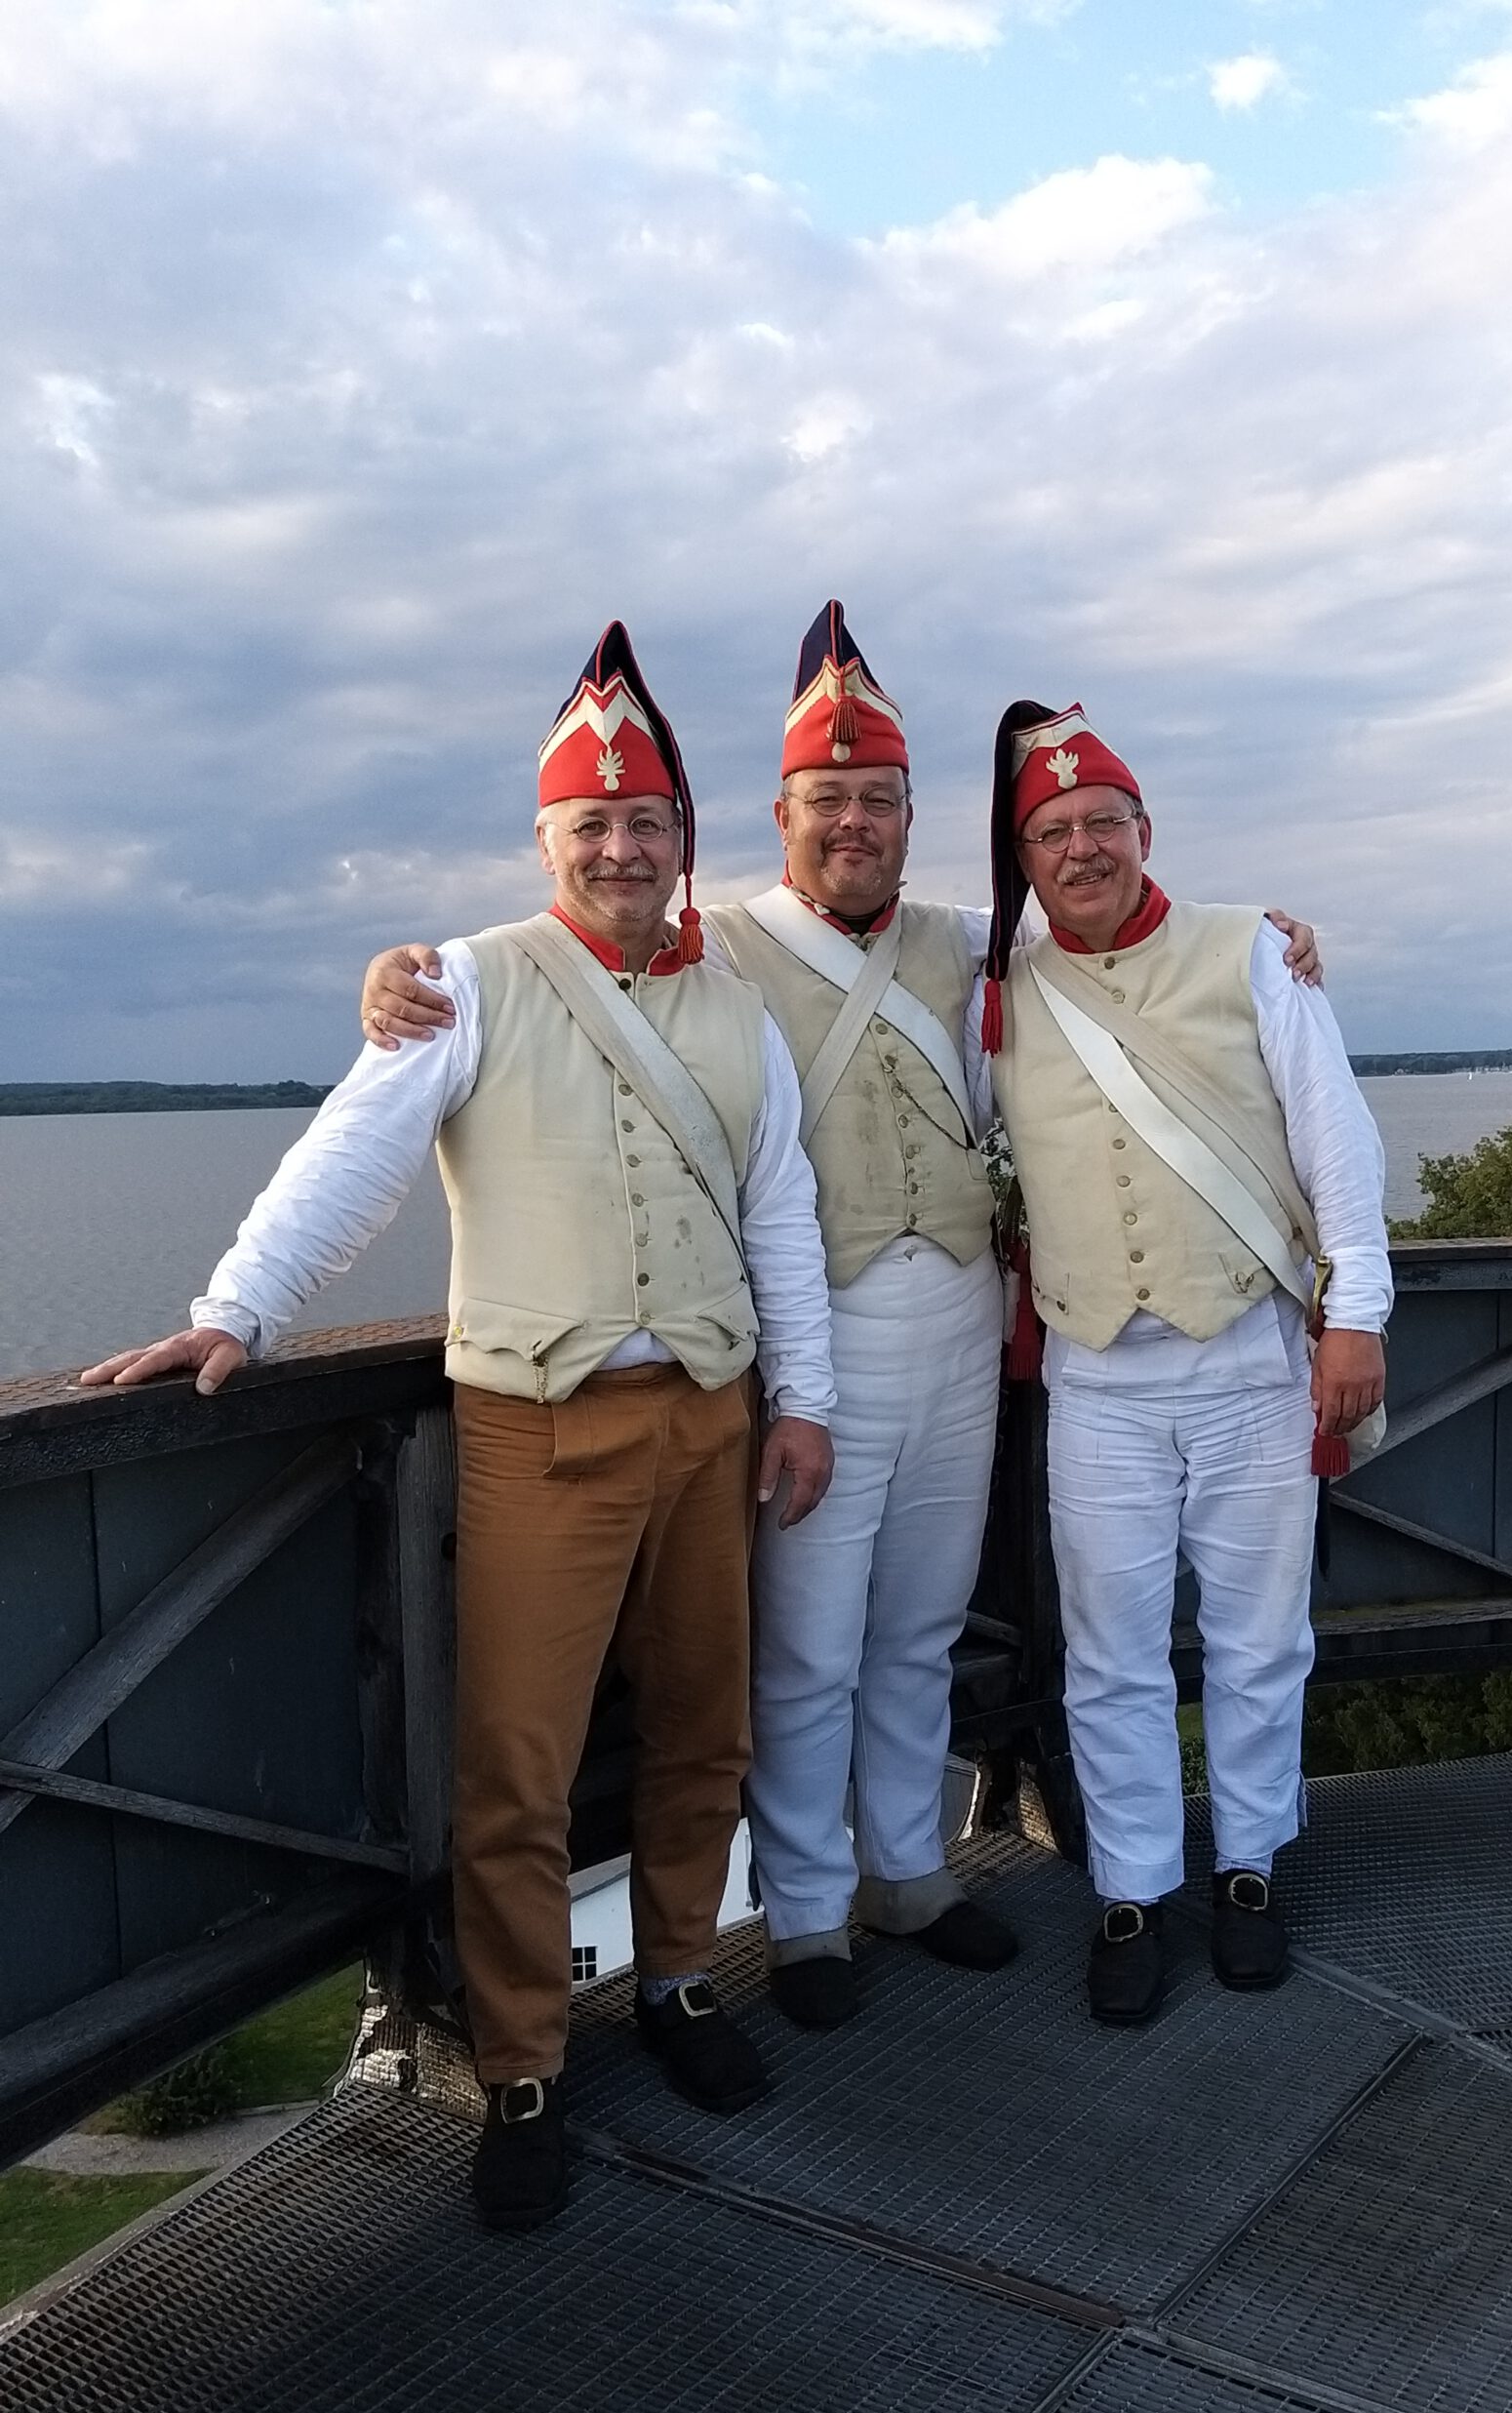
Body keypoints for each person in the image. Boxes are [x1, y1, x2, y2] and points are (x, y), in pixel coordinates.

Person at [357, 615, 1326, 2033]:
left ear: (911, 816)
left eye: (879, 799)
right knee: (808, 1647)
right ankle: (809, 1910)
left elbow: (1126, 943)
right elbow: (583, 958)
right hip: (819, 1343)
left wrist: (1281, 942)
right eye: (829, 800)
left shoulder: (979, 946)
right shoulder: (718, 950)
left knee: (920, 1627)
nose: (855, 823)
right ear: (783, 816)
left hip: (963, 1329)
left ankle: (908, 1873)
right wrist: (405, 977)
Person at [83, 623, 836, 2229]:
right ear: (548, 842)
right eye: (593, 825)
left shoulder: (735, 1009)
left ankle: (682, 1976)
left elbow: (782, 1216)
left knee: (707, 1727)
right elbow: (350, 1161)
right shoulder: (471, 983)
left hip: (713, 1415)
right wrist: (238, 1309)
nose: (622, 848)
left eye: (646, 823)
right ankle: (523, 2062)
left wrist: (807, 1406)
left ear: (681, 839)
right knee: (516, 1766)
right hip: (539, 1428)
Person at [977, 699, 1389, 2026]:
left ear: (1145, 830)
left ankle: (1251, 1864)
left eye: (1102, 822)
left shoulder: (1250, 951)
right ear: (1025, 858)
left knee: (1261, 1637)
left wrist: (1358, 1312)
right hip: (1098, 1372)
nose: (1081, 849)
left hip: (1249, 1356)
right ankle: (1137, 1884)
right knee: (1110, 1652)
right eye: (1052, 832)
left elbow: (1337, 1139)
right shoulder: (996, 979)